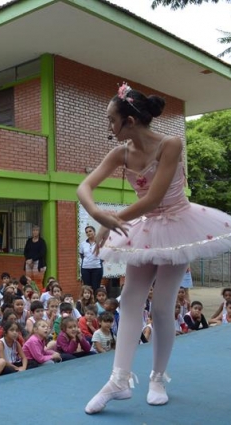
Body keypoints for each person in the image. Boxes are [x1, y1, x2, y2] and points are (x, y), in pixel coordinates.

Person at [78, 82, 231, 414]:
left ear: (130, 122)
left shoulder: (170, 144)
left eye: (111, 120)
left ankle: (158, 377)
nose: (108, 126)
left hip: (178, 225)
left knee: (162, 307)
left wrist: (110, 220)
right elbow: (84, 186)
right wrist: (96, 213)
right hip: (146, 227)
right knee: (131, 298)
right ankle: (119, 380)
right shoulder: (120, 153)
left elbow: (154, 198)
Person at [79, 226, 103, 290]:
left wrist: (98, 260)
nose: (88, 233)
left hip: (97, 268)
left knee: (96, 287)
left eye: (90, 231)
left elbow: (104, 254)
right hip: (85, 268)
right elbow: (81, 254)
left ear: (94, 232)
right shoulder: (83, 244)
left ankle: (95, 300)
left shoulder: (100, 242)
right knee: (87, 288)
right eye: (86, 232)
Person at [23, 225, 47, 290]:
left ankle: (38, 296)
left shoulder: (42, 242)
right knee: (28, 280)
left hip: (38, 263)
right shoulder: (29, 241)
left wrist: (32, 260)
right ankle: (30, 294)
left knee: (38, 281)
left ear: (39, 232)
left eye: (36, 230)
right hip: (28, 263)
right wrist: (28, 260)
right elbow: (25, 251)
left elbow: (42, 253)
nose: (35, 232)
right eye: (34, 230)